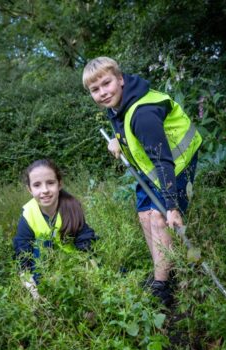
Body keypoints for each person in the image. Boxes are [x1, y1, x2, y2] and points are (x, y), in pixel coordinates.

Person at [82, 56, 202, 306]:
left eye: (107, 84)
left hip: (175, 163)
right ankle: (164, 272)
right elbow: (126, 130)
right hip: (152, 167)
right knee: (144, 215)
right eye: (95, 89)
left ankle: (162, 286)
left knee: (160, 218)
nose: (103, 93)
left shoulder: (143, 113)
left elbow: (163, 162)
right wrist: (118, 140)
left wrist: (172, 207)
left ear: (121, 79)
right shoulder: (116, 105)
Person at [13, 159, 97, 300]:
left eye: (50, 183)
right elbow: (22, 254)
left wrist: (92, 277)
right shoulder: (28, 214)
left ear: (59, 184)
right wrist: (33, 291)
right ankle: (46, 295)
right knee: (42, 243)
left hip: (73, 265)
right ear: (29, 189)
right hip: (44, 268)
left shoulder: (72, 207)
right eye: (37, 185)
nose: (45, 190)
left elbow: (86, 242)